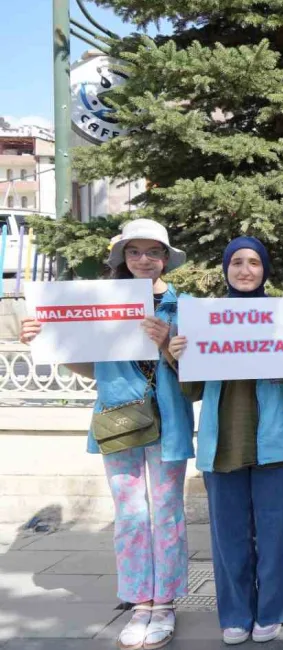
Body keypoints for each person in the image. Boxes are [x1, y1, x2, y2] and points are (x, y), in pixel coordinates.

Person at [21, 218, 193, 650]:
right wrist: (46, 341)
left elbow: (199, 375)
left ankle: (165, 602)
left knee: (167, 513)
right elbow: (88, 365)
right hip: (118, 418)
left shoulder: (184, 306)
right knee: (131, 515)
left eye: (152, 252)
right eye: (133, 252)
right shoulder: (102, 302)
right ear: (122, 258)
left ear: (166, 259)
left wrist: (166, 343)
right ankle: (140, 602)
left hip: (169, 420)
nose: (143, 260)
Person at [167, 237, 283, 645]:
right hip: (222, 443)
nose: (245, 270)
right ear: (226, 269)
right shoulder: (203, 319)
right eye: (237, 263)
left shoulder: (282, 316)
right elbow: (192, 390)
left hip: (275, 443)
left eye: (253, 262)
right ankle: (234, 613)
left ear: (265, 270)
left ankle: (272, 611)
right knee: (228, 537)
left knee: (276, 534)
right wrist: (178, 354)